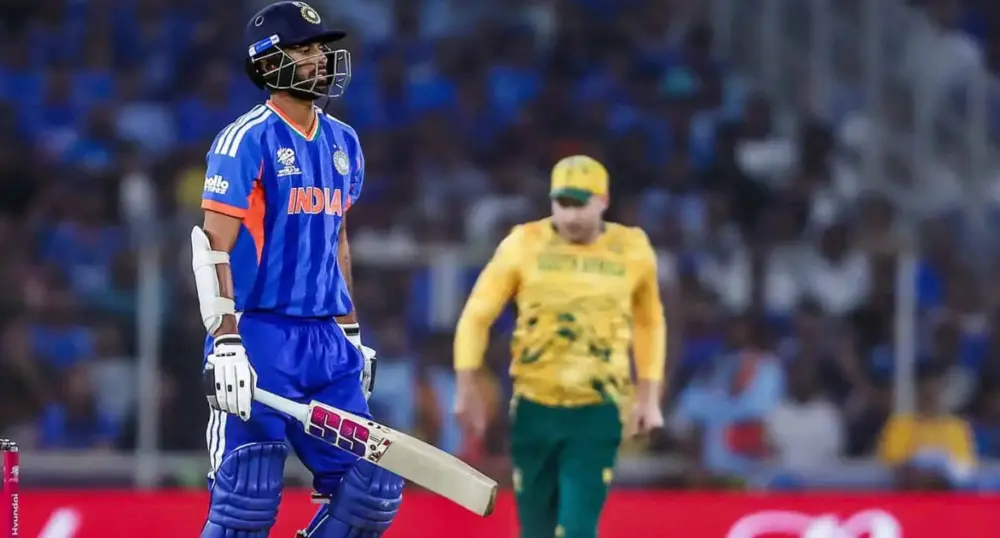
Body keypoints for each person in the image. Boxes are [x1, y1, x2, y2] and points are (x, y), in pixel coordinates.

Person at [192, 3, 402, 537]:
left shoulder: (344, 141)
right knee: (247, 495)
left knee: (371, 487)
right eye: (304, 48)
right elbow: (212, 247)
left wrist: (351, 333)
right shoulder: (246, 139)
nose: (321, 58)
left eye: (321, 48)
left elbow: (337, 242)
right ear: (268, 62)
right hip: (258, 334)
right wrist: (226, 341)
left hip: (326, 342)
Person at [453, 155, 667, 538]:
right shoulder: (523, 244)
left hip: (597, 408)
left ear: (603, 201)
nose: (570, 216)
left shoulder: (632, 249)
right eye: (562, 204)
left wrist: (649, 396)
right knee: (536, 529)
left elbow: (649, 323)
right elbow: (476, 315)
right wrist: (466, 384)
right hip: (534, 407)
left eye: (580, 205)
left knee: (577, 527)